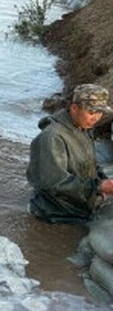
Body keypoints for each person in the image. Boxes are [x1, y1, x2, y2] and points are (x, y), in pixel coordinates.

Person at [27, 83, 113, 224]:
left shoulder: (84, 127)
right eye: (91, 112)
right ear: (74, 108)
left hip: (80, 205)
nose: (96, 118)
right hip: (55, 215)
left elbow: (91, 164)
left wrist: (102, 182)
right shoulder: (51, 137)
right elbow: (53, 183)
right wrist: (98, 186)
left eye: (100, 112)